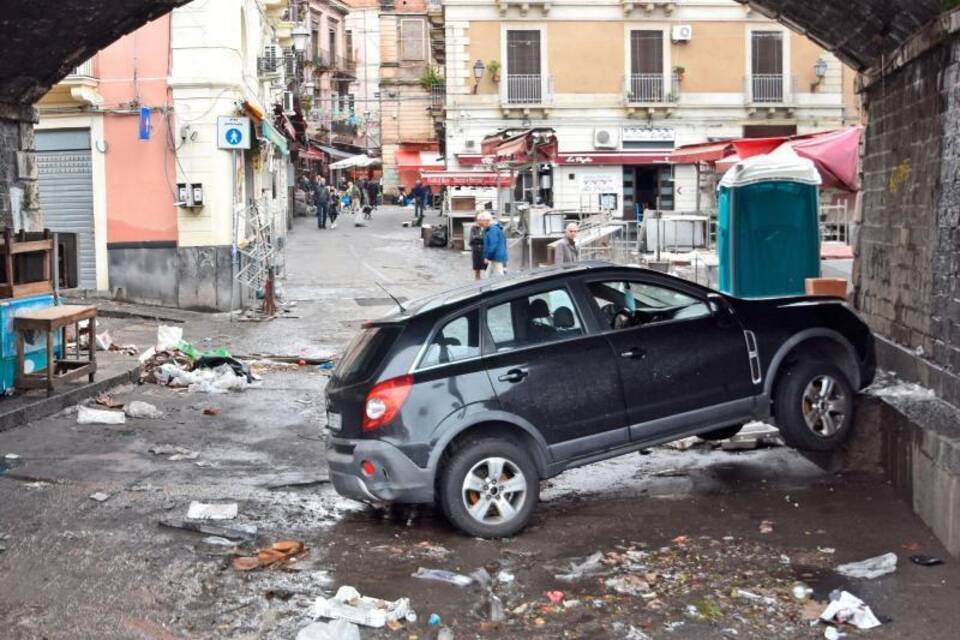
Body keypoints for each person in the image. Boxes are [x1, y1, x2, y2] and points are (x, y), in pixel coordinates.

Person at [478, 212, 507, 277]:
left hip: (496, 257)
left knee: (499, 275)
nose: (480, 223)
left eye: (481, 221)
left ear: (487, 220)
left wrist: (487, 257)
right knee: (488, 275)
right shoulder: (492, 229)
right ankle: (486, 286)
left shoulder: (493, 230)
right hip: (495, 256)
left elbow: (493, 245)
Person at [469, 215, 486, 281]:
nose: (479, 221)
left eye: (481, 219)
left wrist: (477, 237)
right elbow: (471, 240)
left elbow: (486, 239)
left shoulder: (486, 228)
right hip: (476, 251)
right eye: (478, 219)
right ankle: (478, 285)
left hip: (484, 250)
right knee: (477, 270)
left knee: (487, 269)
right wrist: (481, 238)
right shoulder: (473, 228)